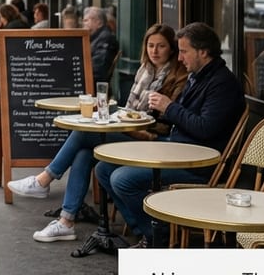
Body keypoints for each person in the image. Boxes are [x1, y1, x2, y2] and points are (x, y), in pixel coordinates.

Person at [8, 24, 188, 242]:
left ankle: (44, 180)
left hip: (154, 139)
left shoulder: (178, 76)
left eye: (161, 46)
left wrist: (138, 120)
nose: (155, 51)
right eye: (151, 45)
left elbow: (168, 121)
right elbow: (132, 110)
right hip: (135, 131)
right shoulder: (145, 71)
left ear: (172, 49)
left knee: (84, 134)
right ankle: (66, 221)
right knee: (84, 153)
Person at [95, 22, 245, 247]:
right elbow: (182, 118)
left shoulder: (221, 83)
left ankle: (159, 236)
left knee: (122, 179)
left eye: (184, 51)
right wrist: (159, 113)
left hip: (198, 163)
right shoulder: (198, 75)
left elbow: (205, 128)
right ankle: (146, 231)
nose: (180, 57)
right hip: (176, 147)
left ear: (203, 52)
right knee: (103, 168)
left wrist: (169, 107)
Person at [84, 6, 118, 85]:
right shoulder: (94, 38)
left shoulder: (106, 39)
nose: (84, 24)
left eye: (86, 20)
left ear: (98, 23)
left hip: (93, 86)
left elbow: (98, 69)